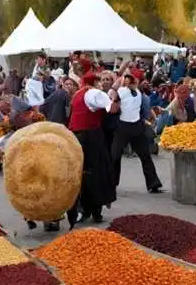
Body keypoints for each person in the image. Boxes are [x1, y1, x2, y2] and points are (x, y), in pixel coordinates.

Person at [67, 71, 118, 226]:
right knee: (97, 172)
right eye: (99, 81)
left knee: (80, 173)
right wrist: (114, 100)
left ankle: (82, 208)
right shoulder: (94, 93)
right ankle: (94, 210)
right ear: (95, 82)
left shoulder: (77, 95)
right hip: (91, 138)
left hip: (76, 136)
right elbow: (111, 109)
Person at [110, 72, 163, 193]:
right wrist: (118, 82)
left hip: (136, 126)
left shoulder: (140, 93)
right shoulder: (121, 91)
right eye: (127, 80)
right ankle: (111, 183)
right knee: (115, 155)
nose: (130, 82)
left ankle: (153, 183)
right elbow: (113, 97)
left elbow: (146, 106)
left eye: (132, 80)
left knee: (145, 155)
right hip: (123, 126)